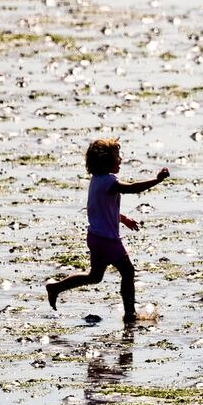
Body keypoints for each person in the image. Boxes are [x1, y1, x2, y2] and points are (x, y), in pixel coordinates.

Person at [46, 138, 169, 323]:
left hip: (95, 237)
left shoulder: (96, 181)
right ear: (107, 162)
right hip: (108, 240)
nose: (120, 160)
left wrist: (123, 218)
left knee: (94, 276)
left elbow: (101, 209)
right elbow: (132, 188)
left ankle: (56, 288)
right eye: (117, 157)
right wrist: (156, 180)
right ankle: (130, 314)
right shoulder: (109, 182)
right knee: (128, 272)